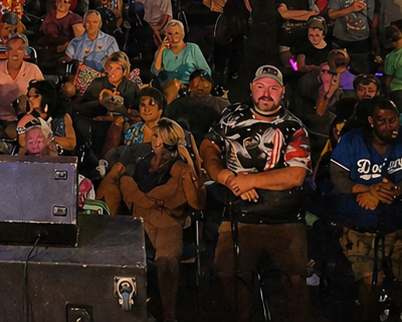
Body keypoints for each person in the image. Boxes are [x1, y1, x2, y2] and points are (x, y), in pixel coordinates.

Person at [202, 65, 313, 322]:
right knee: (228, 274)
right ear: (251, 89)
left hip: (284, 216)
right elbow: (208, 146)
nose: (266, 93)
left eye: (273, 88)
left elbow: (295, 176)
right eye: (261, 86)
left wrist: (249, 181)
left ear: (282, 92)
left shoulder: (293, 127)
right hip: (238, 212)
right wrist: (226, 177)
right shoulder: (230, 115)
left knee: (295, 279)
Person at [329, 96, 402, 321]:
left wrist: (395, 190)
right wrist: (368, 190)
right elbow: (337, 176)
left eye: (393, 120)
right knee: (371, 281)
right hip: (359, 228)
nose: (389, 126)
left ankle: (393, 314)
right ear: (372, 121)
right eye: (382, 121)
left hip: (397, 228)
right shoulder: (353, 140)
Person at [117, 117, 203, 322]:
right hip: (140, 217)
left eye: (164, 139)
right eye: (156, 136)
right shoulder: (142, 162)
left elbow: (197, 202)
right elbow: (126, 185)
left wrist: (191, 163)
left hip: (168, 220)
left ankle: (168, 316)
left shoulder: (180, 168)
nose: (158, 142)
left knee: (167, 261)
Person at [151, 19, 211, 102]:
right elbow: (156, 71)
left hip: (189, 87)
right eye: (170, 34)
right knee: (174, 84)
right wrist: (161, 49)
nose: (173, 36)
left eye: (176, 33)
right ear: (166, 35)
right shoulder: (162, 51)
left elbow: (206, 71)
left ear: (182, 34)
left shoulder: (193, 48)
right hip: (167, 87)